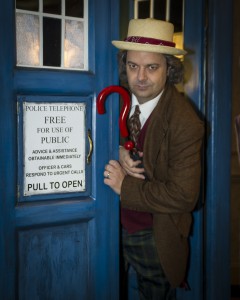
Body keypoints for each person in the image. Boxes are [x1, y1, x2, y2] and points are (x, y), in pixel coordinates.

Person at [103, 18, 204, 299]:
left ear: (169, 69)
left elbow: (185, 196)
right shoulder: (112, 100)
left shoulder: (185, 122)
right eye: (133, 66)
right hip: (104, 224)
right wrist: (116, 149)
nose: (141, 77)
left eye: (152, 67)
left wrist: (126, 187)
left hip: (154, 235)